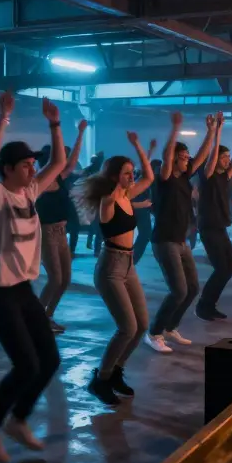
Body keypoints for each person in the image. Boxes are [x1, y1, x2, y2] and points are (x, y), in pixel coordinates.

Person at [0, 93, 67, 463]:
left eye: (32, 164)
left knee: (50, 359)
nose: (33, 169)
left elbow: (57, 162)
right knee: (26, 364)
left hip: (23, 290)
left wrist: (55, 124)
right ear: (8, 168)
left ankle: (18, 420)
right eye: (26, 165)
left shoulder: (29, 192)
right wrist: (3, 117)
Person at [77, 131, 155, 405]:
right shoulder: (108, 202)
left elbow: (149, 178)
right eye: (125, 173)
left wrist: (137, 146)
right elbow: (110, 194)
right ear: (114, 178)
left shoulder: (127, 195)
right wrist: (109, 180)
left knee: (142, 324)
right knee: (127, 327)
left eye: (131, 172)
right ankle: (100, 379)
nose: (131, 177)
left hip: (128, 265)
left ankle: (116, 372)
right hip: (110, 267)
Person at [144, 112, 214, 354]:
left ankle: (170, 327)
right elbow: (166, 156)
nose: (187, 160)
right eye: (182, 157)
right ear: (173, 159)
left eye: (187, 157)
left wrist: (212, 131)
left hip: (180, 241)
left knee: (193, 288)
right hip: (164, 240)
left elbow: (203, 155)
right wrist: (175, 129)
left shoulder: (185, 176)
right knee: (179, 290)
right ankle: (153, 333)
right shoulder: (165, 178)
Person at [195, 114, 232, 321]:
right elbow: (211, 157)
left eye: (227, 157)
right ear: (215, 158)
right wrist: (217, 130)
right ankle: (203, 306)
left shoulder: (224, 176)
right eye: (223, 157)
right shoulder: (207, 175)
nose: (228, 160)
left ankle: (209, 304)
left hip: (220, 226)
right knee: (221, 268)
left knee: (229, 268)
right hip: (209, 227)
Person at [35, 123, 89, 333]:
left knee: (65, 280)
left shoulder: (59, 177)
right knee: (55, 278)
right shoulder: (38, 183)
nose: (63, 162)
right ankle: (37, 317)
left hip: (61, 234)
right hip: (46, 234)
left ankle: (47, 316)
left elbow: (73, 159)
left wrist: (81, 133)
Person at [130, 146, 158, 265]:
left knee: (144, 234)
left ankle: (132, 259)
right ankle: (132, 260)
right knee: (145, 234)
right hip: (140, 209)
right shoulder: (143, 178)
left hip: (141, 209)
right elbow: (145, 163)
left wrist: (150, 150)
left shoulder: (141, 177)